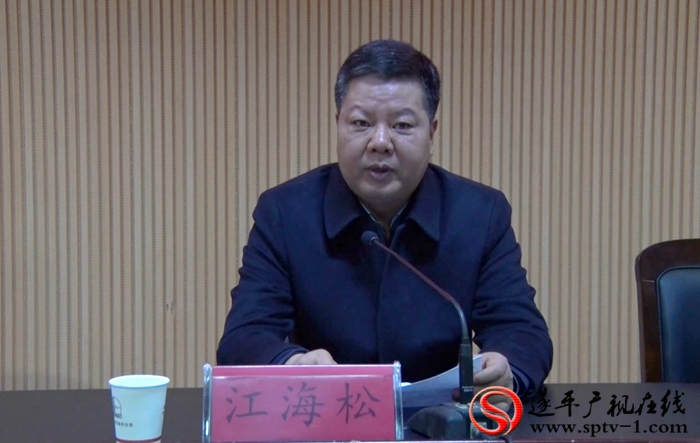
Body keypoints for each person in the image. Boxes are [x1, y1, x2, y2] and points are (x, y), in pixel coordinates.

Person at [217, 39, 553, 407]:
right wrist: (291, 363)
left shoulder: (479, 214)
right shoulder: (285, 212)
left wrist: (505, 370)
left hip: (441, 419)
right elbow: (244, 337)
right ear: (338, 124)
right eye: (361, 123)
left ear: (432, 133)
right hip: (324, 417)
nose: (380, 142)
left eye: (402, 125)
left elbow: (522, 332)